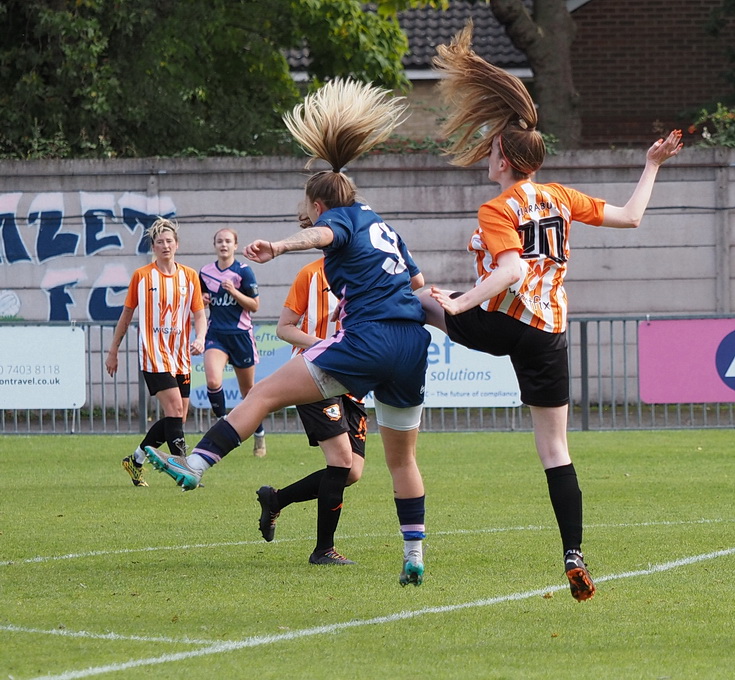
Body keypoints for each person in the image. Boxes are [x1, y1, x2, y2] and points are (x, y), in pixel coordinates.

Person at [419, 23, 683, 602]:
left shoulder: (499, 206)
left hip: (503, 323)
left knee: (414, 298)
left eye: (491, 147)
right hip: (549, 334)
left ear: (507, 159)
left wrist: (458, 301)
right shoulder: (560, 197)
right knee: (556, 452)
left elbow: (511, 272)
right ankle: (573, 553)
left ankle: (354, 367)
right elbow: (632, 217)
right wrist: (652, 164)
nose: (486, 153)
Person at [145, 78, 432, 585]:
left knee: (265, 394)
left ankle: (197, 465)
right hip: (411, 345)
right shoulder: (381, 223)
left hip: (368, 341)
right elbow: (417, 284)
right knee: (401, 460)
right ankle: (413, 555)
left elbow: (323, 234)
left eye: (308, 205)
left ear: (320, 204)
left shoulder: (337, 220)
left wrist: (278, 246)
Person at [256, 256, 369, 565]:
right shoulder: (310, 274)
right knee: (341, 461)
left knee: (352, 471)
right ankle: (323, 550)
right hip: (315, 376)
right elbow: (284, 328)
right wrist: (325, 345)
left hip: (353, 381)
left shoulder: (367, 271)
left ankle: (276, 499)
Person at [105, 217, 207, 487]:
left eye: (169, 241)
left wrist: (201, 337)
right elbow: (126, 316)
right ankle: (185, 470)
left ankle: (135, 460)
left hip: (181, 355)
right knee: (174, 409)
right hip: (154, 354)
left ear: (177, 245)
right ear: (153, 246)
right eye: (160, 241)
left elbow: (199, 314)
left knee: (178, 417)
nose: (165, 245)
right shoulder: (142, 276)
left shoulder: (189, 276)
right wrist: (113, 351)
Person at [199, 227, 267, 457]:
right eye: (220, 241)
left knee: (248, 392)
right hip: (216, 334)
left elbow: (255, 305)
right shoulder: (206, 272)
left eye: (228, 241)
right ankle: (222, 425)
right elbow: (199, 302)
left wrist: (234, 292)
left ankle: (259, 434)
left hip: (240, 336)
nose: (224, 245)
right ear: (215, 245)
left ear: (235, 246)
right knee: (212, 379)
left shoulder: (244, 272)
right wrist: (203, 300)